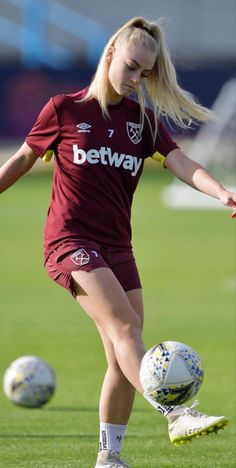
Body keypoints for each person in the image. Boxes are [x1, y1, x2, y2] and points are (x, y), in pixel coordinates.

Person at [0, 16, 235, 468]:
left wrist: (221, 190)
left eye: (145, 73)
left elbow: (183, 162)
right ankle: (177, 414)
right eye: (131, 67)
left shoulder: (142, 121)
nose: (135, 80)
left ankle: (109, 458)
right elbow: (23, 158)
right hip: (70, 243)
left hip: (117, 248)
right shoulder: (65, 109)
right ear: (109, 55)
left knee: (122, 352)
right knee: (126, 328)